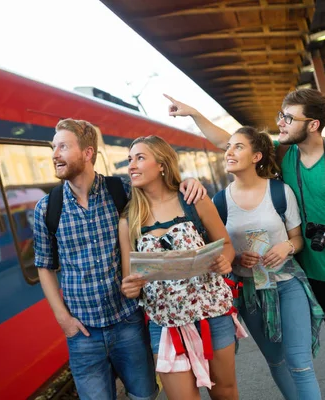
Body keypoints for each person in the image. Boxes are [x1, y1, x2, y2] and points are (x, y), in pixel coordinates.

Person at [165, 89, 325, 400]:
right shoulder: (283, 155)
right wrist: (194, 114)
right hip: (313, 271)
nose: (280, 123)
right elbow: (228, 142)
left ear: (313, 124)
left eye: (289, 118)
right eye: (281, 116)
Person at [33, 119, 207, 400]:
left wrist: (188, 182)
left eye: (63, 147)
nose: (55, 154)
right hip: (83, 332)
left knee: (144, 396)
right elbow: (44, 266)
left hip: (128, 322)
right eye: (54, 147)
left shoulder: (123, 192)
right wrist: (63, 319)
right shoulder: (47, 208)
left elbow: (164, 194)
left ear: (88, 153)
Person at [119, 135, 239, 400]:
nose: (131, 166)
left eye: (140, 158)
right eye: (129, 160)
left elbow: (227, 245)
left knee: (226, 392)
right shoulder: (129, 219)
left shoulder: (193, 200)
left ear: (161, 164)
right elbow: (131, 281)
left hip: (212, 314)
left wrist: (223, 260)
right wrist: (130, 287)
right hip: (165, 325)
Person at [217, 126, 324, 399]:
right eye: (228, 146)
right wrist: (238, 257)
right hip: (250, 291)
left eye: (238, 146)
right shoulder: (219, 202)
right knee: (276, 361)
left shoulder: (279, 191)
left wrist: (286, 246)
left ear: (257, 156)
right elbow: (222, 252)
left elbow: (298, 239)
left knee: (300, 362)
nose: (229, 151)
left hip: (287, 283)